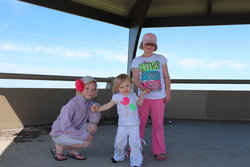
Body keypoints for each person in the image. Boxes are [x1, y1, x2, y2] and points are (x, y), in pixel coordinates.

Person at [130, 33, 171, 161]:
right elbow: (135, 78)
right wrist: (143, 89)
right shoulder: (137, 60)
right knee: (139, 123)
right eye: (147, 43)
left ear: (155, 46)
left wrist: (168, 93)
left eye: (152, 44)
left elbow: (166, 76)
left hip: (159, 97)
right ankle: (135, 148)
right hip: (143, 98)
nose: (150, 46)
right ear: (142, 45)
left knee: (158, 124)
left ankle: (159, 150)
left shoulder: (161, 58)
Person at [92, 74, 147, 167]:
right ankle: (118, 156)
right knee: (119, 142)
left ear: (131, 85)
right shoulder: (116, 96)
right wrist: (99, 109)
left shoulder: (133, 95)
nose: (125, 88)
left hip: (134, 124)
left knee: (135, 143)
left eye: (127, 86)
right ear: (117, 88)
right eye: (122, 87)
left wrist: (142, 94)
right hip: (122, 124)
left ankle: (136, 162)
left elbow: (140, 103)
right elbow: (108, 105)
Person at [49, 76, 101, 161]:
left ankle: (72, 150)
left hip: (73, 130)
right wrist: (84, 135)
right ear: (80, 88)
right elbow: (65, 127)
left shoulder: (90, 103)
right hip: (60, 133)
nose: (90, 92)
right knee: (86, 143)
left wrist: (95, 110)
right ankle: (59, 146)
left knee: (93, 127)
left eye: (93, 89)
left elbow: (94, 121)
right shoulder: (72, 104)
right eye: (87, 88)